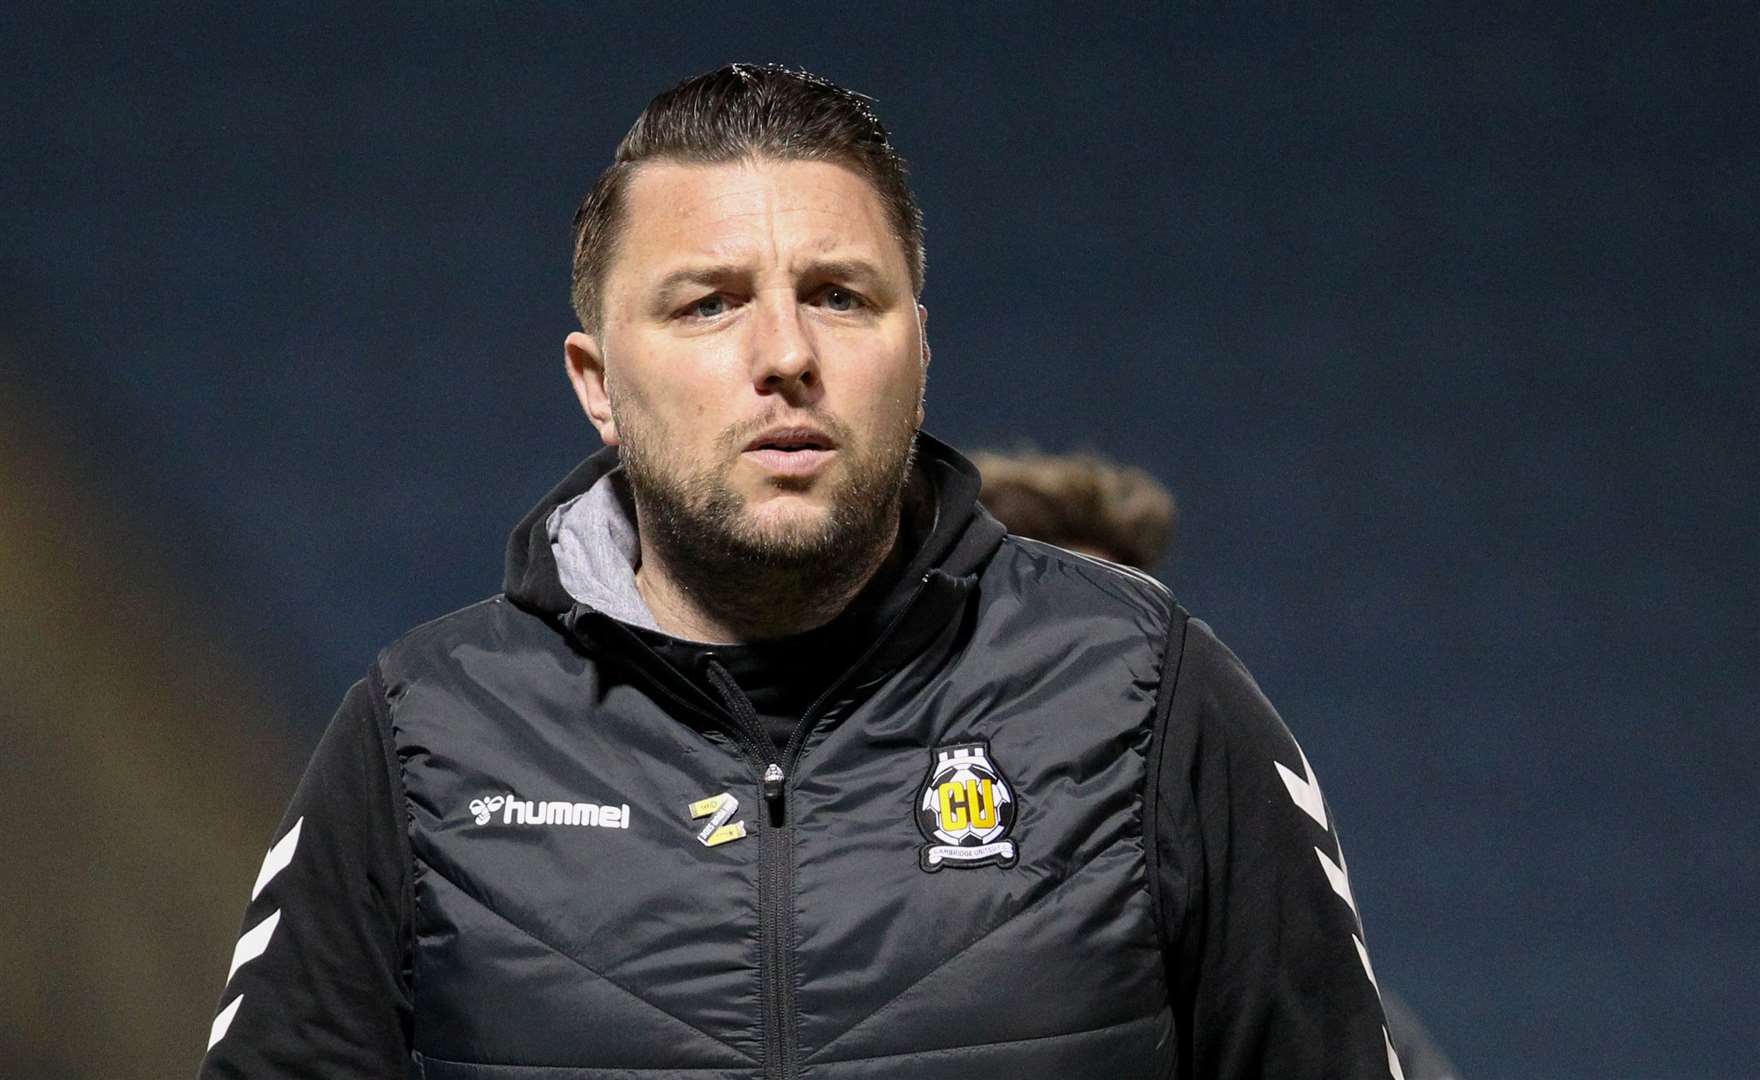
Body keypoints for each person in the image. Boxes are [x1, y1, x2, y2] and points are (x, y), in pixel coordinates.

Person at [198, 64, 1404, 1079]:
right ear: (595, 383)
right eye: (708, 305)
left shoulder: (1148, 699)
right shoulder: (424, 740)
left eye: (838, 296)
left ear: (918, 348)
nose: (785, 355)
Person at [972, 448, 1462, 1080]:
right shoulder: (855, 940)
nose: (1090, 697)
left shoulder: (1306, 997)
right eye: (1053, 655)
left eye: (1113, 652)